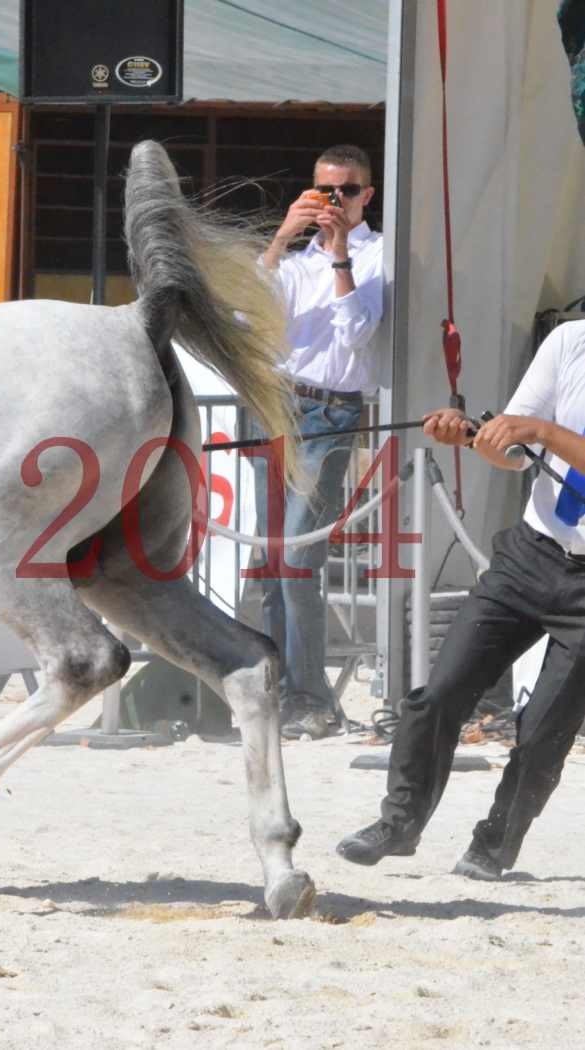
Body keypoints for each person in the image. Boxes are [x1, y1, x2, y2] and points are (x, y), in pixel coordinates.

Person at [338, 323, 585, 880]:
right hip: (530, 553)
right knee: (439, 693)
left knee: (545, 730)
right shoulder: (570, 342)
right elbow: (516, 453)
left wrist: (541, 429)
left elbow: (537, 432)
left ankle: (494, 846)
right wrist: (472, 438)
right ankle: (398, 824)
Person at [250, 144, 385, 741]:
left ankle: (311, 697)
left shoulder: (378, 256)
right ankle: (277, 687)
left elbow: (358, 333)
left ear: (367, 197)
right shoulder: (291, 260)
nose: (335, 203)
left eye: (347, 192)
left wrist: (338, 256)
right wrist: (283, 236)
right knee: (272, 555)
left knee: (299, 557)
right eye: (325, 192)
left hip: (330, 412)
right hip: (275, 403)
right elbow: (248, 317)